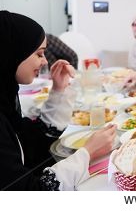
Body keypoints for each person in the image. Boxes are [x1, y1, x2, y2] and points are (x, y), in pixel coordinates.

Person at [0, 11, 116, 190]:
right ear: (13, 52)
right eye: (39, 54)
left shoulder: (6, 97)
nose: (45, 61)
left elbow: (31, 142)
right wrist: (88, 153)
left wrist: (58, 90)